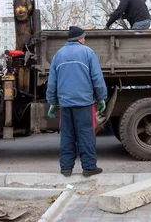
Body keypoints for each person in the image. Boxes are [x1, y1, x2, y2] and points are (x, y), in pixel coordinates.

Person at [46, 26, 107, 177]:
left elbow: (52, 82)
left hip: (65, 105)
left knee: (67, 136)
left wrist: (52, 102)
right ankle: (89, 167)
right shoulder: (87, 52)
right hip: (84, 104)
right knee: (86, 135)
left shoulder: (58, 55)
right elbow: (97, 78)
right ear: (80, 38)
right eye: (84, 37)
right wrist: (101, 98)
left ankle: (66, 168)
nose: (85, 40)